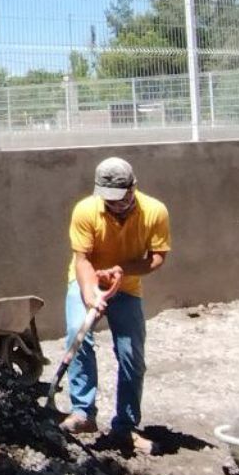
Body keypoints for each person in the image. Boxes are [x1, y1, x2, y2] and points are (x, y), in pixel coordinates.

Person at [61, 157, 170, 453]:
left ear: (133, 187)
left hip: (127, 287)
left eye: (121, 199)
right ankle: (83, 413)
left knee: (131, 354)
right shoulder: (85, 210)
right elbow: (81, 259)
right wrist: (90, 293)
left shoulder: (155, 212)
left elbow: (157, 256)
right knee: (76, 334)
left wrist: (123, 270)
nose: (115, 205)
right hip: (87, 281)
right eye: (108, 200)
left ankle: (125, 426)